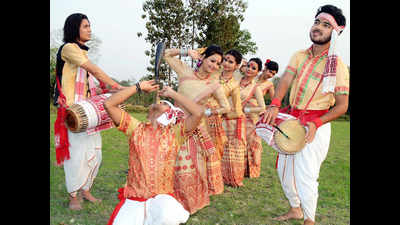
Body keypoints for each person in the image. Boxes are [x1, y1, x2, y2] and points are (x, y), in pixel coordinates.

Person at [261, 5, 349, 225]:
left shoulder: (337, 65)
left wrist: (316, 123)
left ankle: (310, 220)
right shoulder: (299, 55)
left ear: (336, 32)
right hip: (292, 121)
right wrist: (274, 104)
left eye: (326, 24)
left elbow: (342, 106)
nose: (318, 27)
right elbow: (285, 82)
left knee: (306, 175)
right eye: (317, 21)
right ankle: (295, 209)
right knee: (283, 170)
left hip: (315, 125)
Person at [104, 80, 203, 225]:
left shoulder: (175, 133)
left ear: (171, 114)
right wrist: (138, 87)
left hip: (162, 199)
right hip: (135, 199)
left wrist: (173, 94)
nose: (160, 101)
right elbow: (109, 104)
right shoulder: (136, 129)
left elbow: (198, 113)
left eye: (165, 102)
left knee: (168, 217)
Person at [53, 13, 125, 210]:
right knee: (76, 155)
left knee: (94, 152)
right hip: (73, 111)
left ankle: (86, 190)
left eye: (89, 25)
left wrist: (107, 90)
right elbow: (95, 71)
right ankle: (73, 195)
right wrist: (116, 86)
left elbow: (89, 84)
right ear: (75, 28)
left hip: (88, 110)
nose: (89, 29)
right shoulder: (69, 49)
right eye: (85, 26)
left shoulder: (81, 53)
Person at [163, 45, 231, 213]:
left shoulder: (214, 85)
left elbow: (226, 107)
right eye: (212, 60)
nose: (214, 66)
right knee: (171, 161)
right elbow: (166, 54)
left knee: (193, 163)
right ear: (202, 58)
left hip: (195, 127)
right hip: (175, 123)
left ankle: (191, 200)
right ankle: (169, 198)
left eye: (218, 64)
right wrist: (186, 52)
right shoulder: (185, 72)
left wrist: (206, 112)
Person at [212, 49, 246, 187]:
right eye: (225, 59)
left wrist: (221, 114)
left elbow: (238, 111)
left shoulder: (234, 85)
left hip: (212, 118)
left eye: (230, 62)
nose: (226, 63)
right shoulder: (213, 72)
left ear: (237, 66)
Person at [234, 58, 266, 178]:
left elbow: (262, 108)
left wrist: (246, 110)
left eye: (253, 68)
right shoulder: (236, 80)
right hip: (232, 117)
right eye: (248, 66)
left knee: (249, 145)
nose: (249, 69)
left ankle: (249, 171)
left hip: (248, 119)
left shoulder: (255, 87)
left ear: (257, 72)